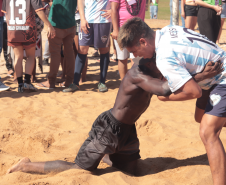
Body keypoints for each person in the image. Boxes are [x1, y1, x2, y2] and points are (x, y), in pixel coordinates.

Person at [6, 55, 222, 175]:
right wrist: (201, 75)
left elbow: (173, 79)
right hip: (108, 128)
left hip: (127, 132)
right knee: (80, 169)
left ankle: (109, 155)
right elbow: (165, 89)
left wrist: (199, 73)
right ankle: (26, 165)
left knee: (131, 169)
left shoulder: (155, 66)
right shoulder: (139, 72)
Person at [118, 17, 226, 185]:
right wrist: (199, 76)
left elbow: (193, 92)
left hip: (221, 78)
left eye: (134, 51)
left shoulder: (164, 57)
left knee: (207, 131)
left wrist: (164, 98)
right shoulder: (169, 29)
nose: (135, 56)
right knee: (201, 117)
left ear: (142, 41)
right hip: (213, 73)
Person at [1, 0, 55, 93]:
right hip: (28, 28)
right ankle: (27, 82)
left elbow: (6, 13)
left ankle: (20, 85)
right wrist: (49, 25)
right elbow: (39, 10)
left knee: (18, 57)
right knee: (30, 56)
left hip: (13, 29)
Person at [63, 0, 112, 93]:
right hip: (87, 20)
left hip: (103, 21)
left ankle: (102, 82)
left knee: (104, 50)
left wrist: (113, 10)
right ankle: (75, 83)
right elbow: (80, 1)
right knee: (82, 49)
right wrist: (82, 18)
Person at [111, 0, 146, 80]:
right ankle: (124, 82)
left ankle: (135, 82)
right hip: (122, 28)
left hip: (138, 28)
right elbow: (113, 9)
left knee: (136, 57)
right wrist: (115, 30)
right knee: (122, 57)